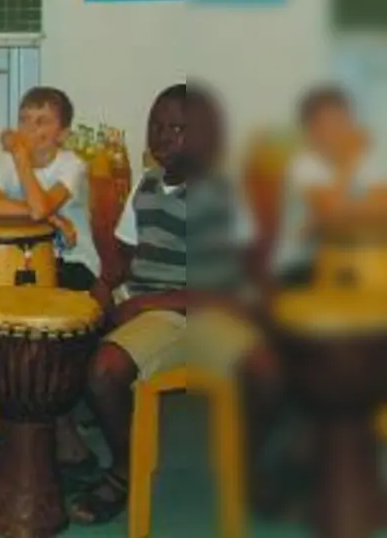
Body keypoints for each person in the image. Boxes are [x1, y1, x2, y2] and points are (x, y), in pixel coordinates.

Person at [67, 83, 281, 525]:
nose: (163, 137)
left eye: (178, 128)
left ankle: (246, 465)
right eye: (156, 127)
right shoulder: (144, 188)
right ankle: (113, 460)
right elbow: (123, 260)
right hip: (158, 313)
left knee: (266, 368)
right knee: (96, 367)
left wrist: (149, 303)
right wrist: (101, 289)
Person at [0, 85, 97, 464]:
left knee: (44, 311)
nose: (30, 128)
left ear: (61, 134)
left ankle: (54, 421)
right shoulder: (10, 164)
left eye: (42, 122)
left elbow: (42, 206)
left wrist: (26, 169)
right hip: (33, 263)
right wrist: (47, 215)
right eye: (24, 120)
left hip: (75, 267)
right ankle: (19, 413)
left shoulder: (71, 165)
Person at [276, 84, 387, 283]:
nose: (340, 130)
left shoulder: (365, 163)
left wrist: (348, 208)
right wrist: (349, 162)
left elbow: (382, 204)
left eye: (344, 121)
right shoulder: (303, 165)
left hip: (354, 258)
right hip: (304, 265)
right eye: (330, 123)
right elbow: (331, 210)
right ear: (310, 130)